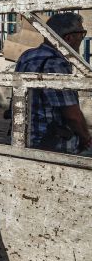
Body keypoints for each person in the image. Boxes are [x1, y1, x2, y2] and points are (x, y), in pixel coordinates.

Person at [14, 13, 91, 155]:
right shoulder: (55, 63)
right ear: (69, 38)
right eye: (82, 34)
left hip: (23, 139)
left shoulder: (27, 56)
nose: (82, 38)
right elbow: (72, 115)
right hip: (51, 144)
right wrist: (86, 138)